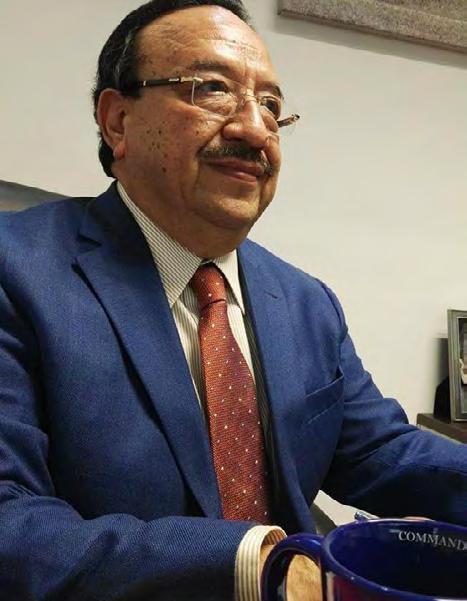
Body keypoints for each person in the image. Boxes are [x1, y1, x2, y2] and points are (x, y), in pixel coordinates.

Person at [0, 1, 465, 600]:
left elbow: (379, 450)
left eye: (270, 105)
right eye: (213, 89)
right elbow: (11, 522)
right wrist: (256, 564)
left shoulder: (305, 302)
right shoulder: (17, 271)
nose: (254, 129)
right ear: (117, 121)